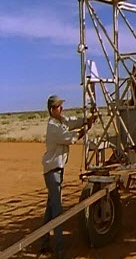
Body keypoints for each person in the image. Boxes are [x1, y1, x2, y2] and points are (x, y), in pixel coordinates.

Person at [39, 95, 97, 258]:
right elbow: (70, 138)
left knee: (51, 209)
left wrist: (87, 119)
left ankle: (43, 243)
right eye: (59, 107)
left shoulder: (60, 121)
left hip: (56, 171)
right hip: (53, 172)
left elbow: (73, 121)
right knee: (57, 211)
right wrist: (86, 129)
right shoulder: (53, 127)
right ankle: (59, 249)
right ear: (52, 110)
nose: (61, 109)